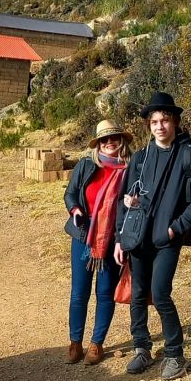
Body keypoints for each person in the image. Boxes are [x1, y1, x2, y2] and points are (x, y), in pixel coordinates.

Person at [114, 92, 191, 380]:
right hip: (138, 237)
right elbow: (124, 199)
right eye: (154, 121)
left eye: (165, 120)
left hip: (167, 240)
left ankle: (175, 354)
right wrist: (120, 237)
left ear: (175, 122)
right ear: (149, 126)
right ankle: (141, 348)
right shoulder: (141, 158)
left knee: (161, 293)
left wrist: (174, 228)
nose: (159, 126)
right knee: (139, 294)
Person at [64, 120, 133, 365]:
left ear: (121, 140)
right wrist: (75, 209)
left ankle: (97, 344)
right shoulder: (85, 165)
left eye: (113, 137)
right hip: (84, 234)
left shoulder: (130, 169)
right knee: (79, 292)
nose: (109, 143)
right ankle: (75, 343)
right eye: (104, 140)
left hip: (112, 238)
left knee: (104, 293)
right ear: (98, 144)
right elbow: (70, 193)